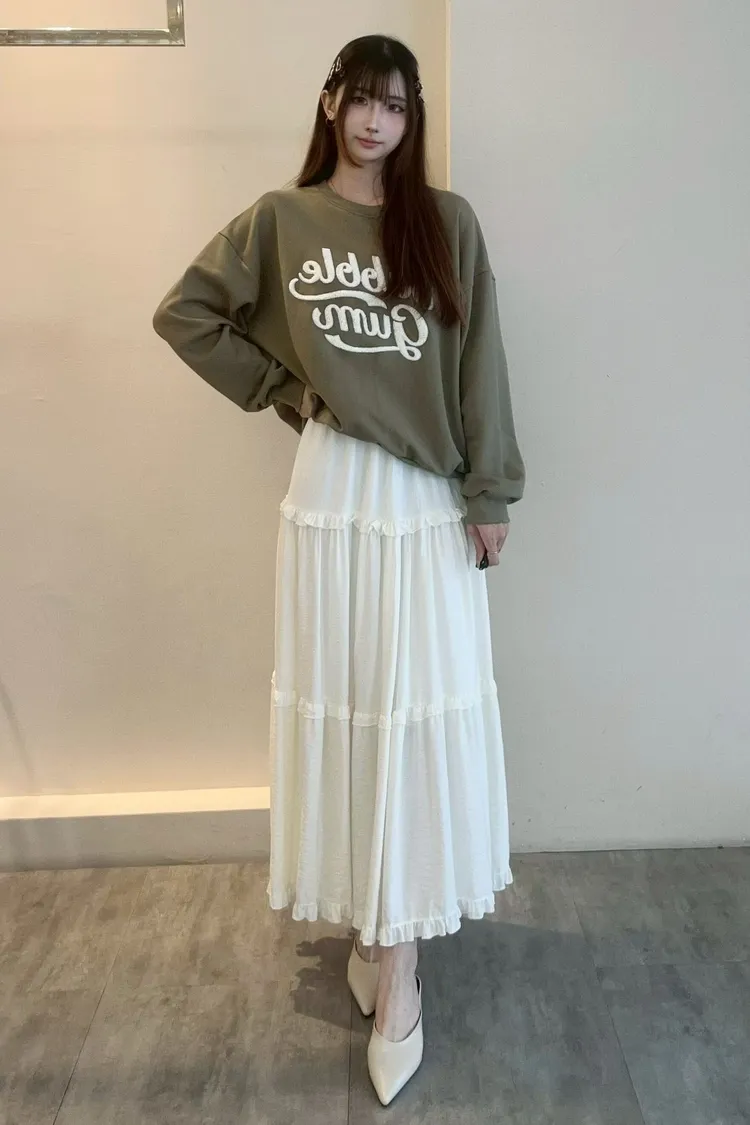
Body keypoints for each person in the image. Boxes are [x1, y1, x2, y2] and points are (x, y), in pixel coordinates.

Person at [152, 33, 525, 1106]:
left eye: (395, 107)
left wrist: (491, 491)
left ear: (412, 120)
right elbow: (187, 314)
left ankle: (399, 970)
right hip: (331, 493)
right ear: (329, 105)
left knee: (414, 713)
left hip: (422, 499)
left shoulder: (445, 223)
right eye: (361, 101)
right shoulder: (282, 219)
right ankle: (373, 930)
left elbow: (482, 362)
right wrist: (290, 390)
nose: (375, 122)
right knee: (354, 709)